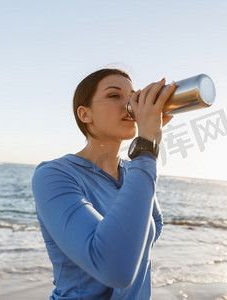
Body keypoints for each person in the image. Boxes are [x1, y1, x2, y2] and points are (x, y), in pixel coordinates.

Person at [32, 68, 176, 299]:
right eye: (114, 95)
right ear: (85, 114)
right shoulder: (54, 174)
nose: (129, 105)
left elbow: (155, 223)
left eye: (132, 97)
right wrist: (147, 144)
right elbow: (114, 269)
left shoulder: (133, 169)